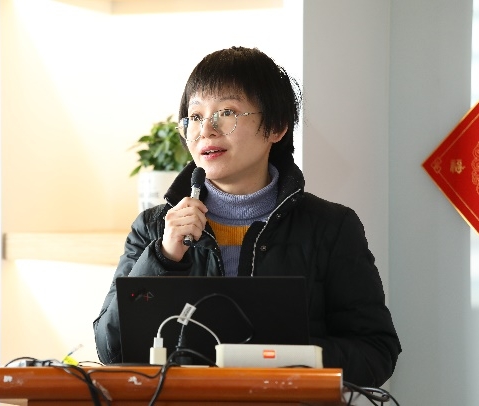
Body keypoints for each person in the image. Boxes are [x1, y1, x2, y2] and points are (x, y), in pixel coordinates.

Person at [93, 46, 401, 387]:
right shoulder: (153, 228)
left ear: (276, 127)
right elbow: (112, 351)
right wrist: (163, 258)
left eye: (227, 112)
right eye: (195, 116)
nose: (206, 130)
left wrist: (282, 358)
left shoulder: (331, 227)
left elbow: (376, 353)